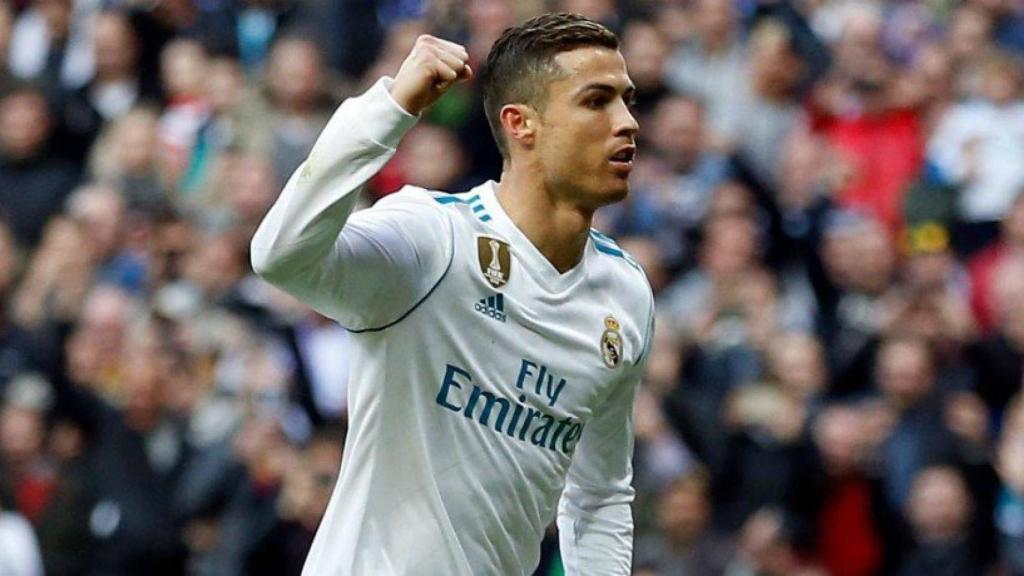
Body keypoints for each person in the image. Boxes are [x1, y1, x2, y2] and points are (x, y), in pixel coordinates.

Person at [251, 12, 653, 575]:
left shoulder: (624, 295)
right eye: (597, 101)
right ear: (522, 124)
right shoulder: (433, 238)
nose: (628, 122)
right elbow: (280, 255)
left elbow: (600, 494)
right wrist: (391, 109)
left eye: (627, 100)